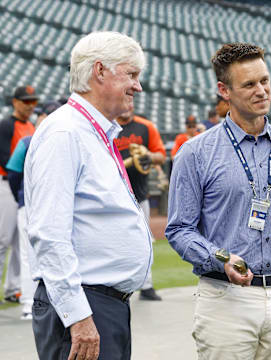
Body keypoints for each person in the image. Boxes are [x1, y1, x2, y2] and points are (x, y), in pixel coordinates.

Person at [166, 42, 271, 360]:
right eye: (249, 84)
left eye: (264, 81)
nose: (261, 91)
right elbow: (179, 229)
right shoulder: (195, 153)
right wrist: (221, 257)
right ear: (225, 90)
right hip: (226, 301)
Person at [24, 31, 153, 360]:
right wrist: (78, 317)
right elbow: (50, 234)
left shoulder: (91, 131)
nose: (137, 86)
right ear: (100, 71)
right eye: (132, 74)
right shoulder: (65, 132)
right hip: (84, 308)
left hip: (103, 306)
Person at [6, 100, 61, 320]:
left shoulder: (35, 141)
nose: (39, 118)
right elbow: (13, 174)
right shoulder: (28, 141)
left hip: (43, 205)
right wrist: (21, 197)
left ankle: (35, 303)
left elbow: (13, 175)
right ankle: (30, 302)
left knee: (39, 254)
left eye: (42, 114)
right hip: (34, 206)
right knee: (32, 254)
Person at [115, 110, 166, 301]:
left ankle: (146, 285)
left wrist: (150, 158)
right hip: (115, 196)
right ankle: (118, 287)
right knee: (116, 243)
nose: (128, 105)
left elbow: (160, 155)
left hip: (140, 194)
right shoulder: (109, 125)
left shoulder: (145, 126)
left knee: (143, 242)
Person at [0, 85, 38, 303]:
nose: (30, 106)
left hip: (21, 185)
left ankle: (13, 288)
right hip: (6, 183)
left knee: (19, 241)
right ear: (15, 102)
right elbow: (5, 158)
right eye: (26, 101)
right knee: (3, 239)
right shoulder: (6, 125)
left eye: (33, 101)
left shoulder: (31, 126)